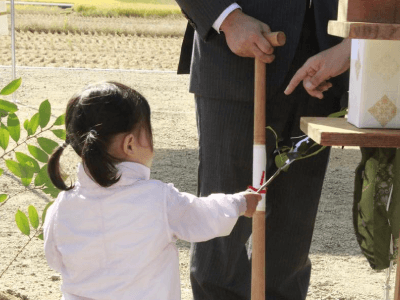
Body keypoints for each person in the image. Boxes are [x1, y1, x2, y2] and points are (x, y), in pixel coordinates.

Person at [175, 0, 351, 299]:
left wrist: (353, 46)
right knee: (223, 228)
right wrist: (228, 19)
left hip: (326, 60)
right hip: (236, 54)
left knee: (292, 233)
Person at [43, 81, 261, 300]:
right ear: (130, 144)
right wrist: (240, 203)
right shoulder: (157, 199)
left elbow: (54, 258)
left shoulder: (61, 207)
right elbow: (203, 215)